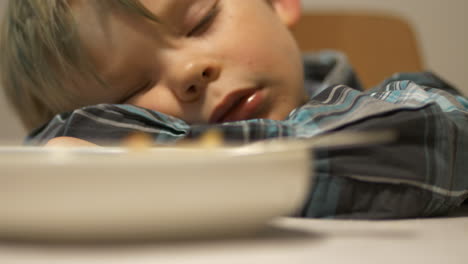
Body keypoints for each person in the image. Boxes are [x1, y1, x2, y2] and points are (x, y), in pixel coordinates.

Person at [1, 0, 467, 218]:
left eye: (202, 20)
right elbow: (52, 152)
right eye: (132, 89)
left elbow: (439, 127)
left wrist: (148, 174)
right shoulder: (80, 133)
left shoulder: (407, 104)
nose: (189, 70)